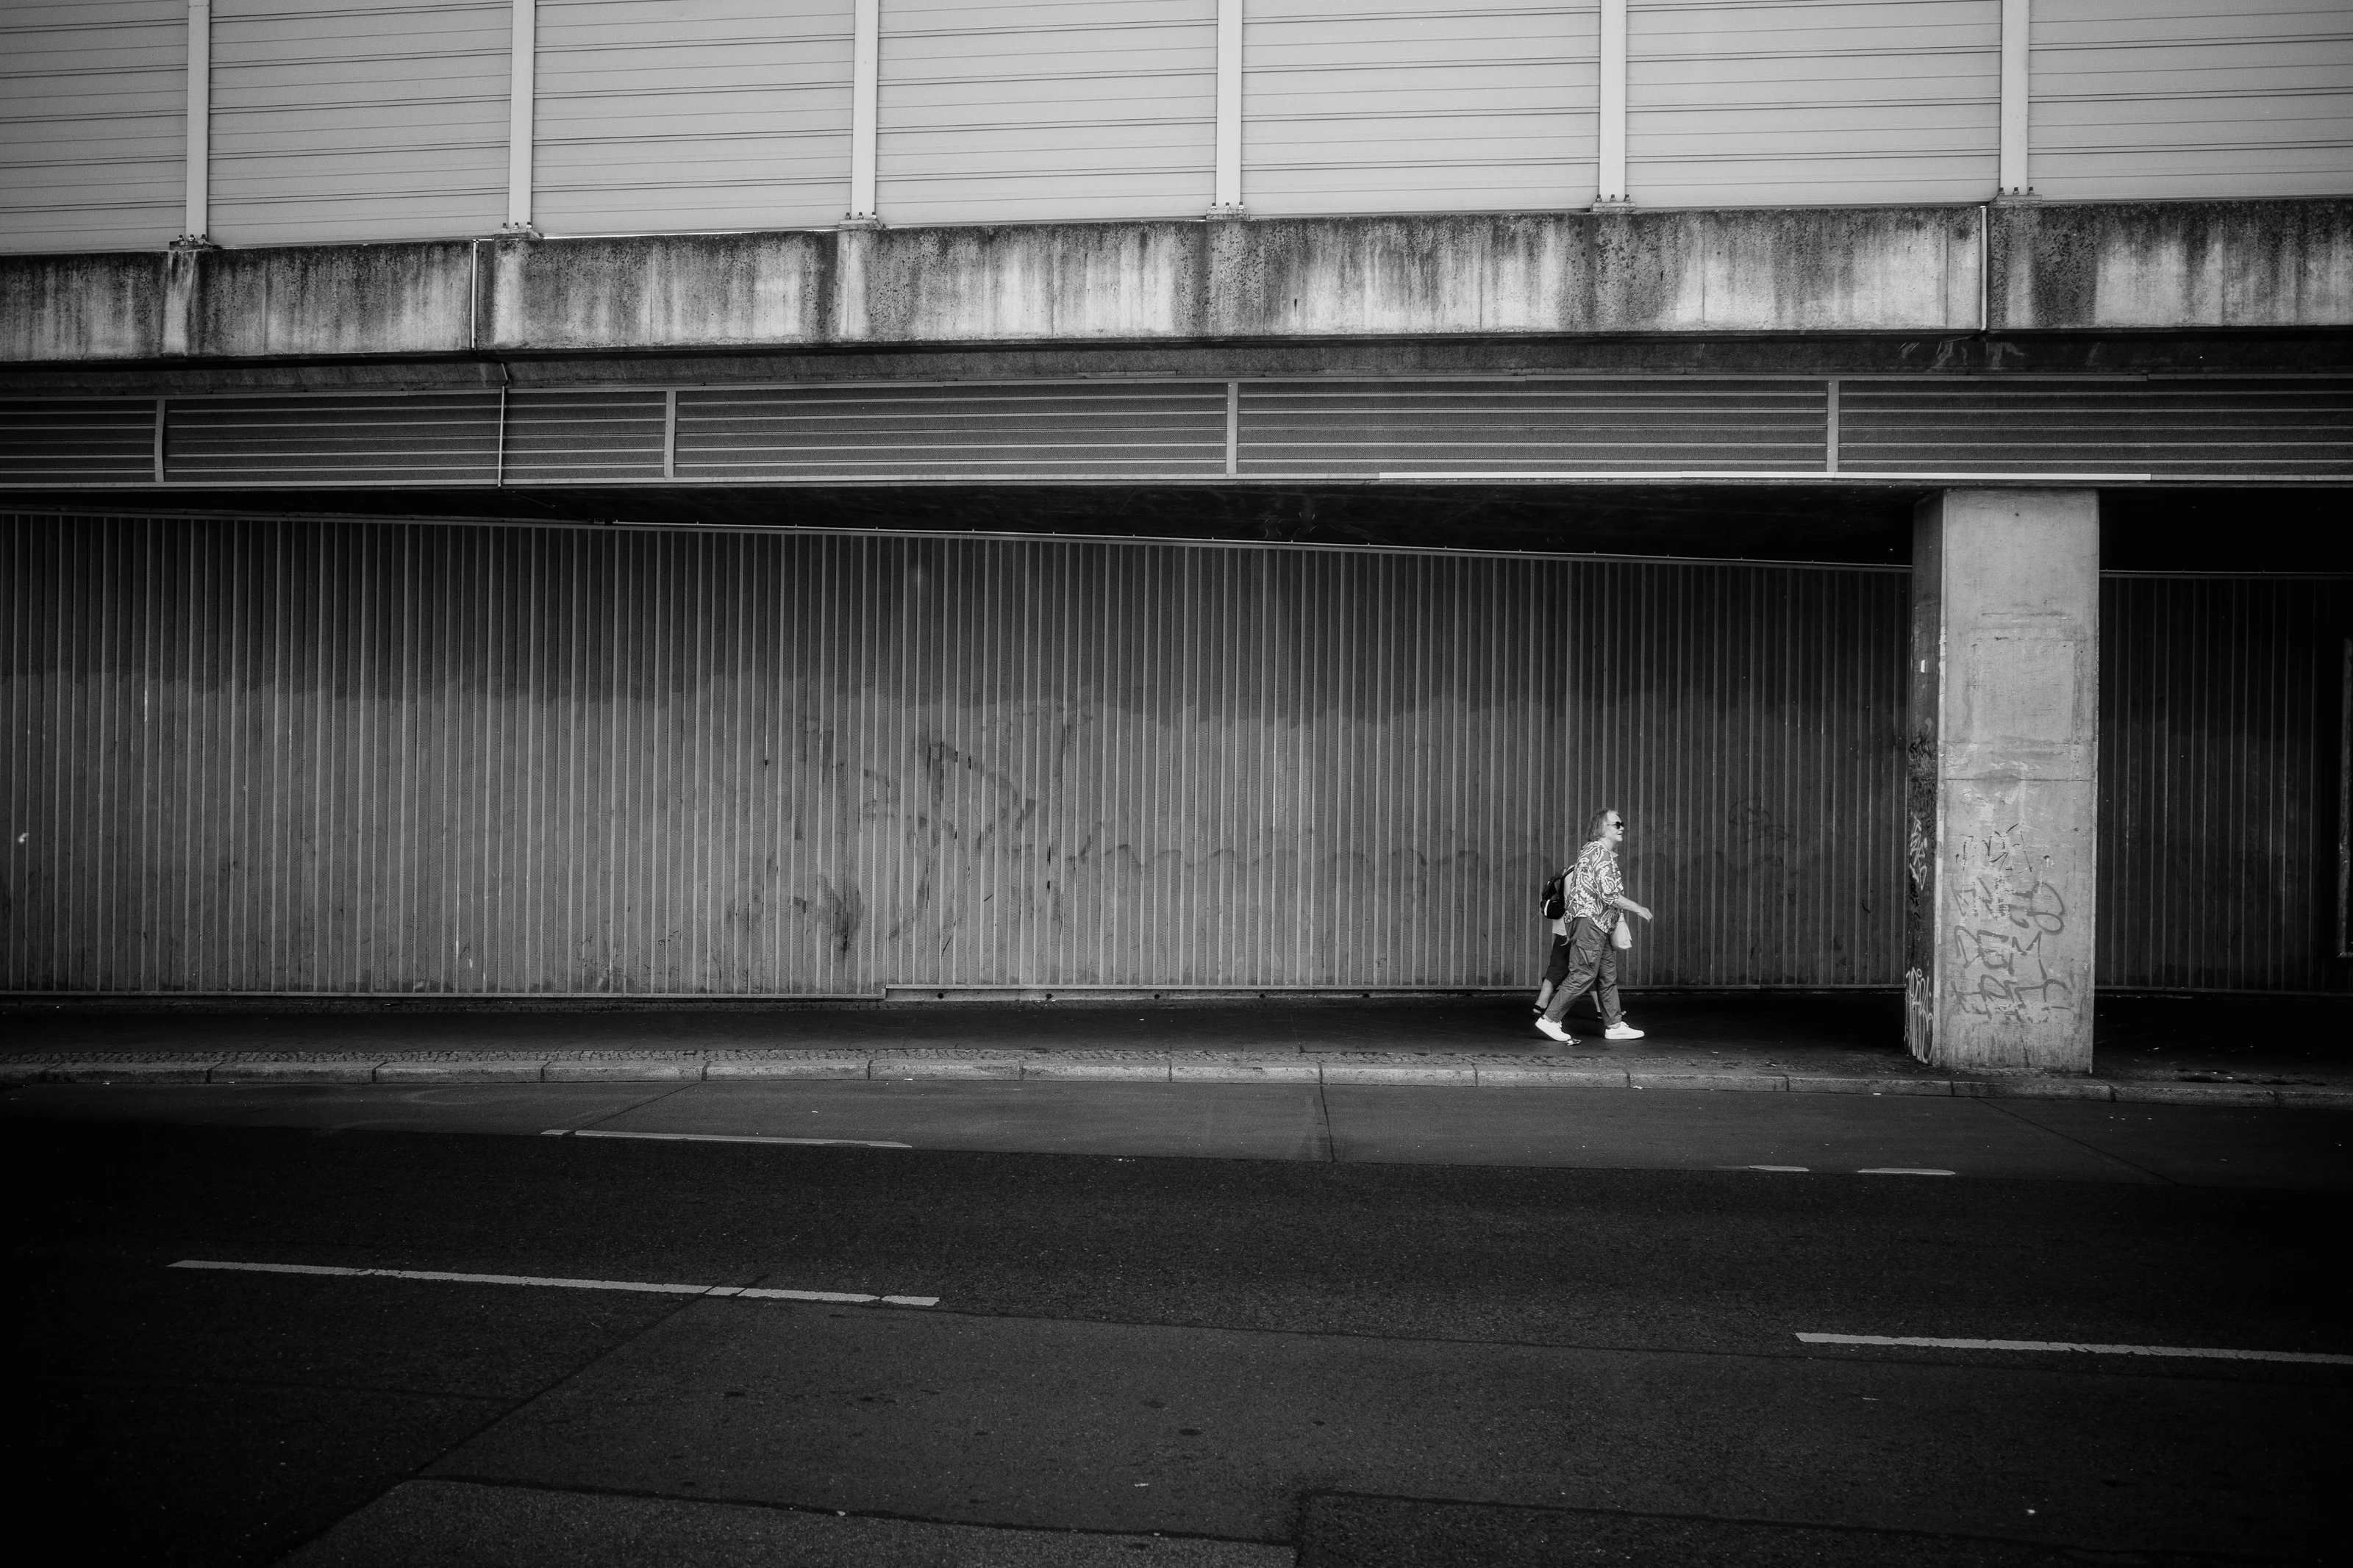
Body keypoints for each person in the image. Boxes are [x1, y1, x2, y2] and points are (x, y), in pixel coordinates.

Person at [1535, 806, 1652, 1043]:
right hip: (1591, 925)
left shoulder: (1597, 853)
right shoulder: (1599, 854)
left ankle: (1615, 1025)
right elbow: (1609, 894)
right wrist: (1638, 908)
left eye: (1622, 824)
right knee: (1583, 973)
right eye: (1616, 825)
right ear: (1601, 829)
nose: (1622, 828)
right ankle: (1549, 1020)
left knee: (1606, 975)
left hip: (1599, 924)